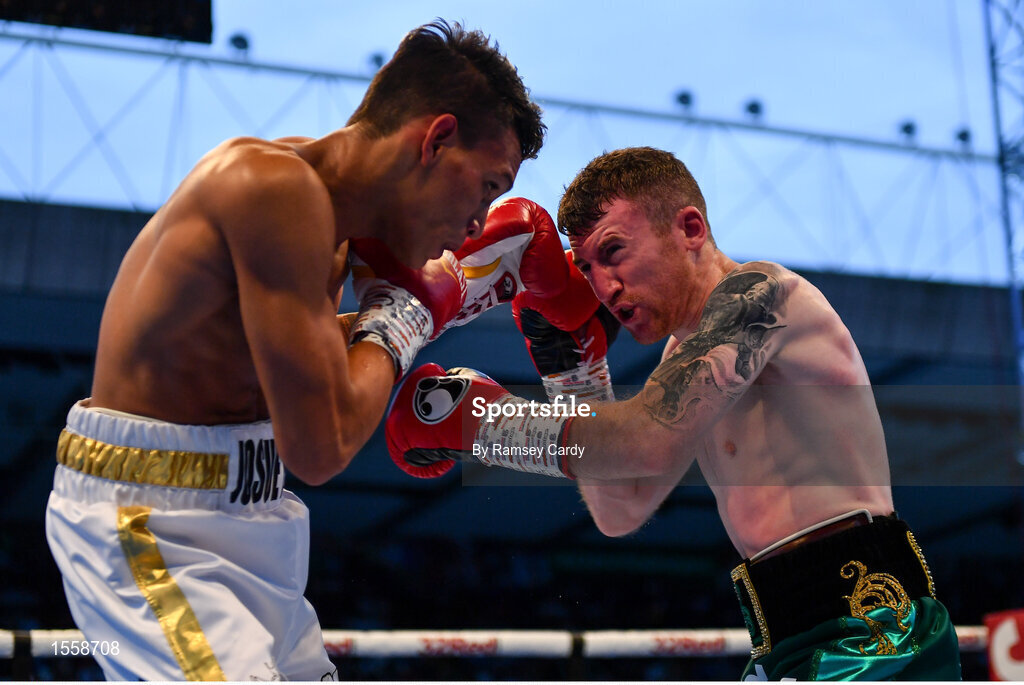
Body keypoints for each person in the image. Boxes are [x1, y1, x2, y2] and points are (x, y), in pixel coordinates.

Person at [44, 19, 544, 681]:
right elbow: (320, 444)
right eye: (487, 185)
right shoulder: (274, 189)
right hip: (149, 519)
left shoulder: (333, 227)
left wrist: (413, 315)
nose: (480, 223)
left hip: (254, 512)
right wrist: (408, 315)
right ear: (437, 138)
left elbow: (294, 365)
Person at [386, 148, 962, 680]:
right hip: (787, 635)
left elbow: (646, 441)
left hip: (875, 628)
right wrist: (573, 371)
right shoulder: (679, 358)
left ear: (690, 229)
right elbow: (620, 504)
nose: (603, 287)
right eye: (585, 269)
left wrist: (484, 427)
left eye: (613, 252)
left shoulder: (762, 295)